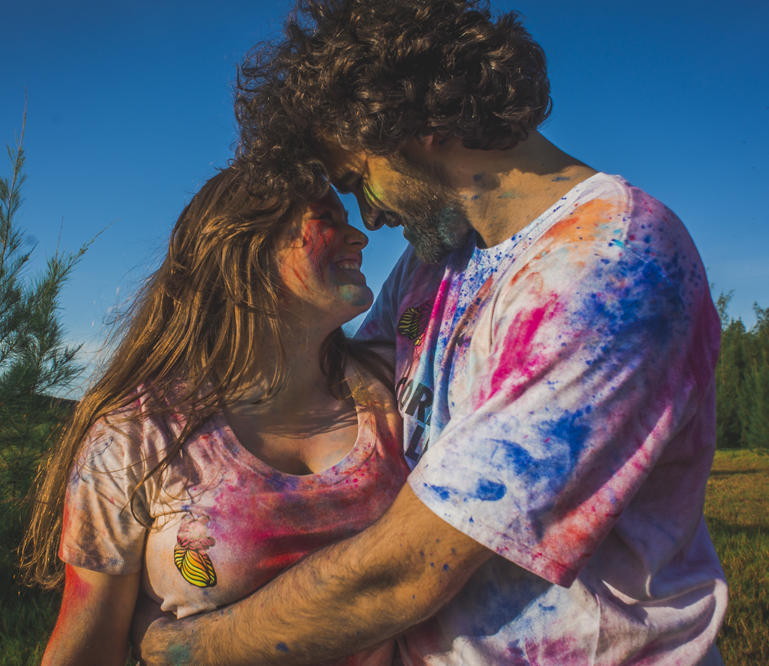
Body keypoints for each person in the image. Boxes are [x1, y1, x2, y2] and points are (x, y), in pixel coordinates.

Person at [135, 1, 728, 664]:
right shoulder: (434, 262)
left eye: (358, 180)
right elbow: (334, 388)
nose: (368, 217)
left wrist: (187, 648)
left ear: (418, 124)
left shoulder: (611, 264)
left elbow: (408, 570)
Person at [21, 165, 411, 666]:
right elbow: (88, 642)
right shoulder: (137, 433)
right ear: (245, 250)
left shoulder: (395, 391)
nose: (360, 236)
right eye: (328, 220)